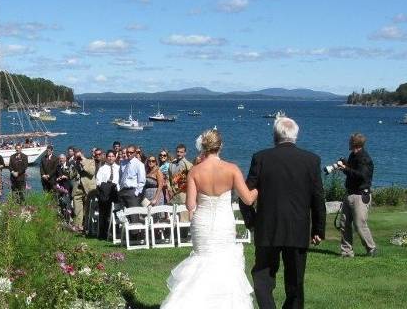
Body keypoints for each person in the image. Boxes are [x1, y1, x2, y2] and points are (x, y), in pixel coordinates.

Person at [161, 129, 257, 308]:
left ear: (204, 147)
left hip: (202, 223)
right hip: (223, 223)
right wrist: (259, 186)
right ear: (220, 146)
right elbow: (248, 199)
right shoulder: (232, 169)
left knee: (202, 261)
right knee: (224, 265)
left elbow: (190, 204)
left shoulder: (195, 171)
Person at [240, 117, 326, 309]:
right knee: (295, 282)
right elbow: (318, 197)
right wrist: (318, 229)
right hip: (298, 228)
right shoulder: (311, 160)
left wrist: (251, 221)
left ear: (275, 136)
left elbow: (244, 194)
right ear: (296, 136)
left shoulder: (261, 158)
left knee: (263, 278)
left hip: (267, 228)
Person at [337, 132, 376, 257]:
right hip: (350, 193)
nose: (348, 143)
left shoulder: (364, 158)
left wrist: (345, 169)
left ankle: (371, 248)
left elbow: (361, 176)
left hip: (360, 196)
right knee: (344, 223)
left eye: (350, 141)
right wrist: (345, 164)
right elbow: (353, 172)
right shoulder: (353, 155)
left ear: (354, 143)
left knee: (359, 224)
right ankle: (347, 251)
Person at [70, 149, 97, 232]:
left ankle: (86, 226)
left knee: (88, 209)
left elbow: (92, 172)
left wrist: (83, 163)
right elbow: (71, 176)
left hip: (88, 189)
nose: (78, 158)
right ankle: (78, 226)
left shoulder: (90, 161)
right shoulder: (74, 164)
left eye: (79, 156)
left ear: (82, 154)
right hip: (77, 188)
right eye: (76, 157)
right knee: (77, 209)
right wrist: (75, 167)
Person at [96, 150, 120, 239]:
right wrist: (107, 185)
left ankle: (116, 232)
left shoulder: (118, 168)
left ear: (115, 157)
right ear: (106, 157)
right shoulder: (102, 168)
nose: (110, 158)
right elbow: (98, 181)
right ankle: (103, 233)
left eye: (112, 156)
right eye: (109, 156)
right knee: (104, 213)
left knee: (116, 212)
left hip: (115, 192)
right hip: (105, 192)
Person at [118, 145, 146, 220]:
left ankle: (135, 232)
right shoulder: (122, 163)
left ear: (135, 153)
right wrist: (119, 188)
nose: (129, 154)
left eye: (131, 152)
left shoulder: (139, 164)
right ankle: (123, 231)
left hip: (132, 192)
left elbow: (142, 181)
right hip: (123, 191)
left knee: (133, 216)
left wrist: (136, 193)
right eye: (128, 152)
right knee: (123, 216)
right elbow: (120, 178)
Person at [168, 144, 193, 221]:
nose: (179, 154)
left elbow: (191, 179)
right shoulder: (172, 164)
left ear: (185, 153)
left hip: (183, 193)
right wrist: (169, 189)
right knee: (173, 216)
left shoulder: (188, 164)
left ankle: (183, 232)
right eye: (178, 152)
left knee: (183, 217)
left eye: (181, 152)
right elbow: (169, 178)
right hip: (173, 193)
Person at [55, 154, 73, 222]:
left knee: (68, 202)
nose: (61, 160)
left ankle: (68, 218)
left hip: (68, 187)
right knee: (62, 202)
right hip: (61, 187)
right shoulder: (58, 167)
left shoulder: (69, 165)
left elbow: (73, 175)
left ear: (65, 159)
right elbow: (56, 176)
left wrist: (66, 177)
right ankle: (63, 216)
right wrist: (58, 178)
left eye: (62, 158)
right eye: (60, 159)